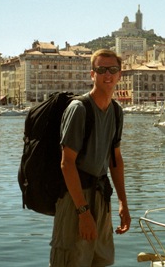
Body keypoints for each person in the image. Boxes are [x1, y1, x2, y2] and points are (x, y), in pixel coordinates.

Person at [50, 49, 131, 267]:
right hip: (76, 199)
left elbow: (116, 160)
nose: (108, 74)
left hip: (101, 196)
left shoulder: (116, 111)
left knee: (101, 260)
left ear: (119, 74)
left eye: (113, 69)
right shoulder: (79, 109)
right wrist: (83, 212)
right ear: (92, 74)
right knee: (71, 260)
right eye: (101, 69)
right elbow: (66, 164)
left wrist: (123, 202)